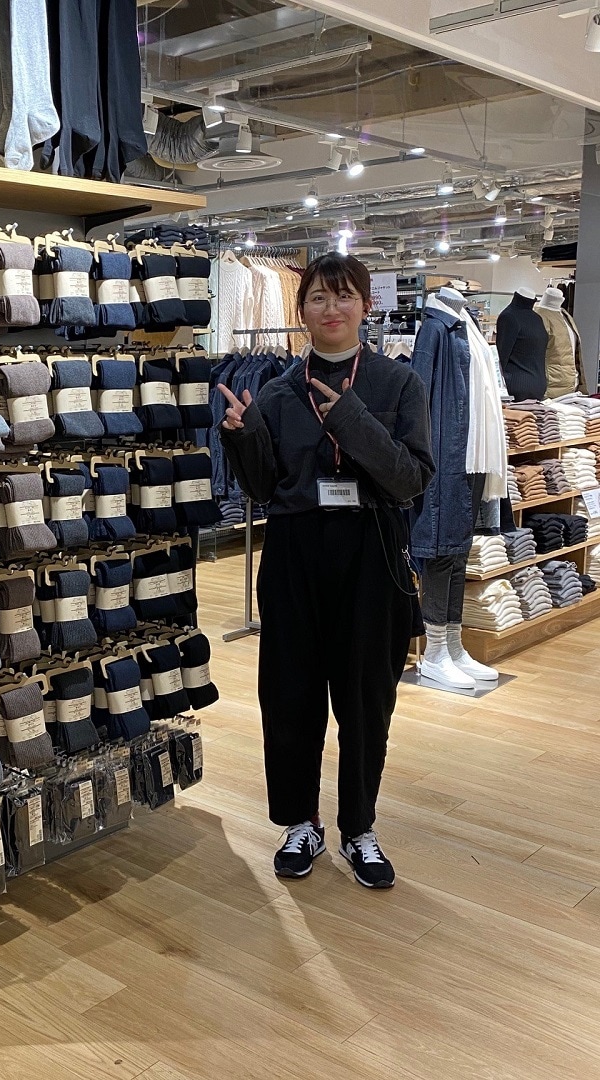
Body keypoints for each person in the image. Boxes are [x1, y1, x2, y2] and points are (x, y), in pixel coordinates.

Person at [217, 253, 434, 889]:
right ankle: (299, 823)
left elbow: (410, 479)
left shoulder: (397, 384)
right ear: (301, 309)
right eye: (317, 297)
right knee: (290, 695)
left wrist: (349, 418)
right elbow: (263, 488)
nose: (331, 308)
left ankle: (359, 828)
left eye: (344, 297)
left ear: (366, 306)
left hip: (371, 552)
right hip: (293, 556)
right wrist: (242, 436)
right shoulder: (278, 391)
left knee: (366, 699)